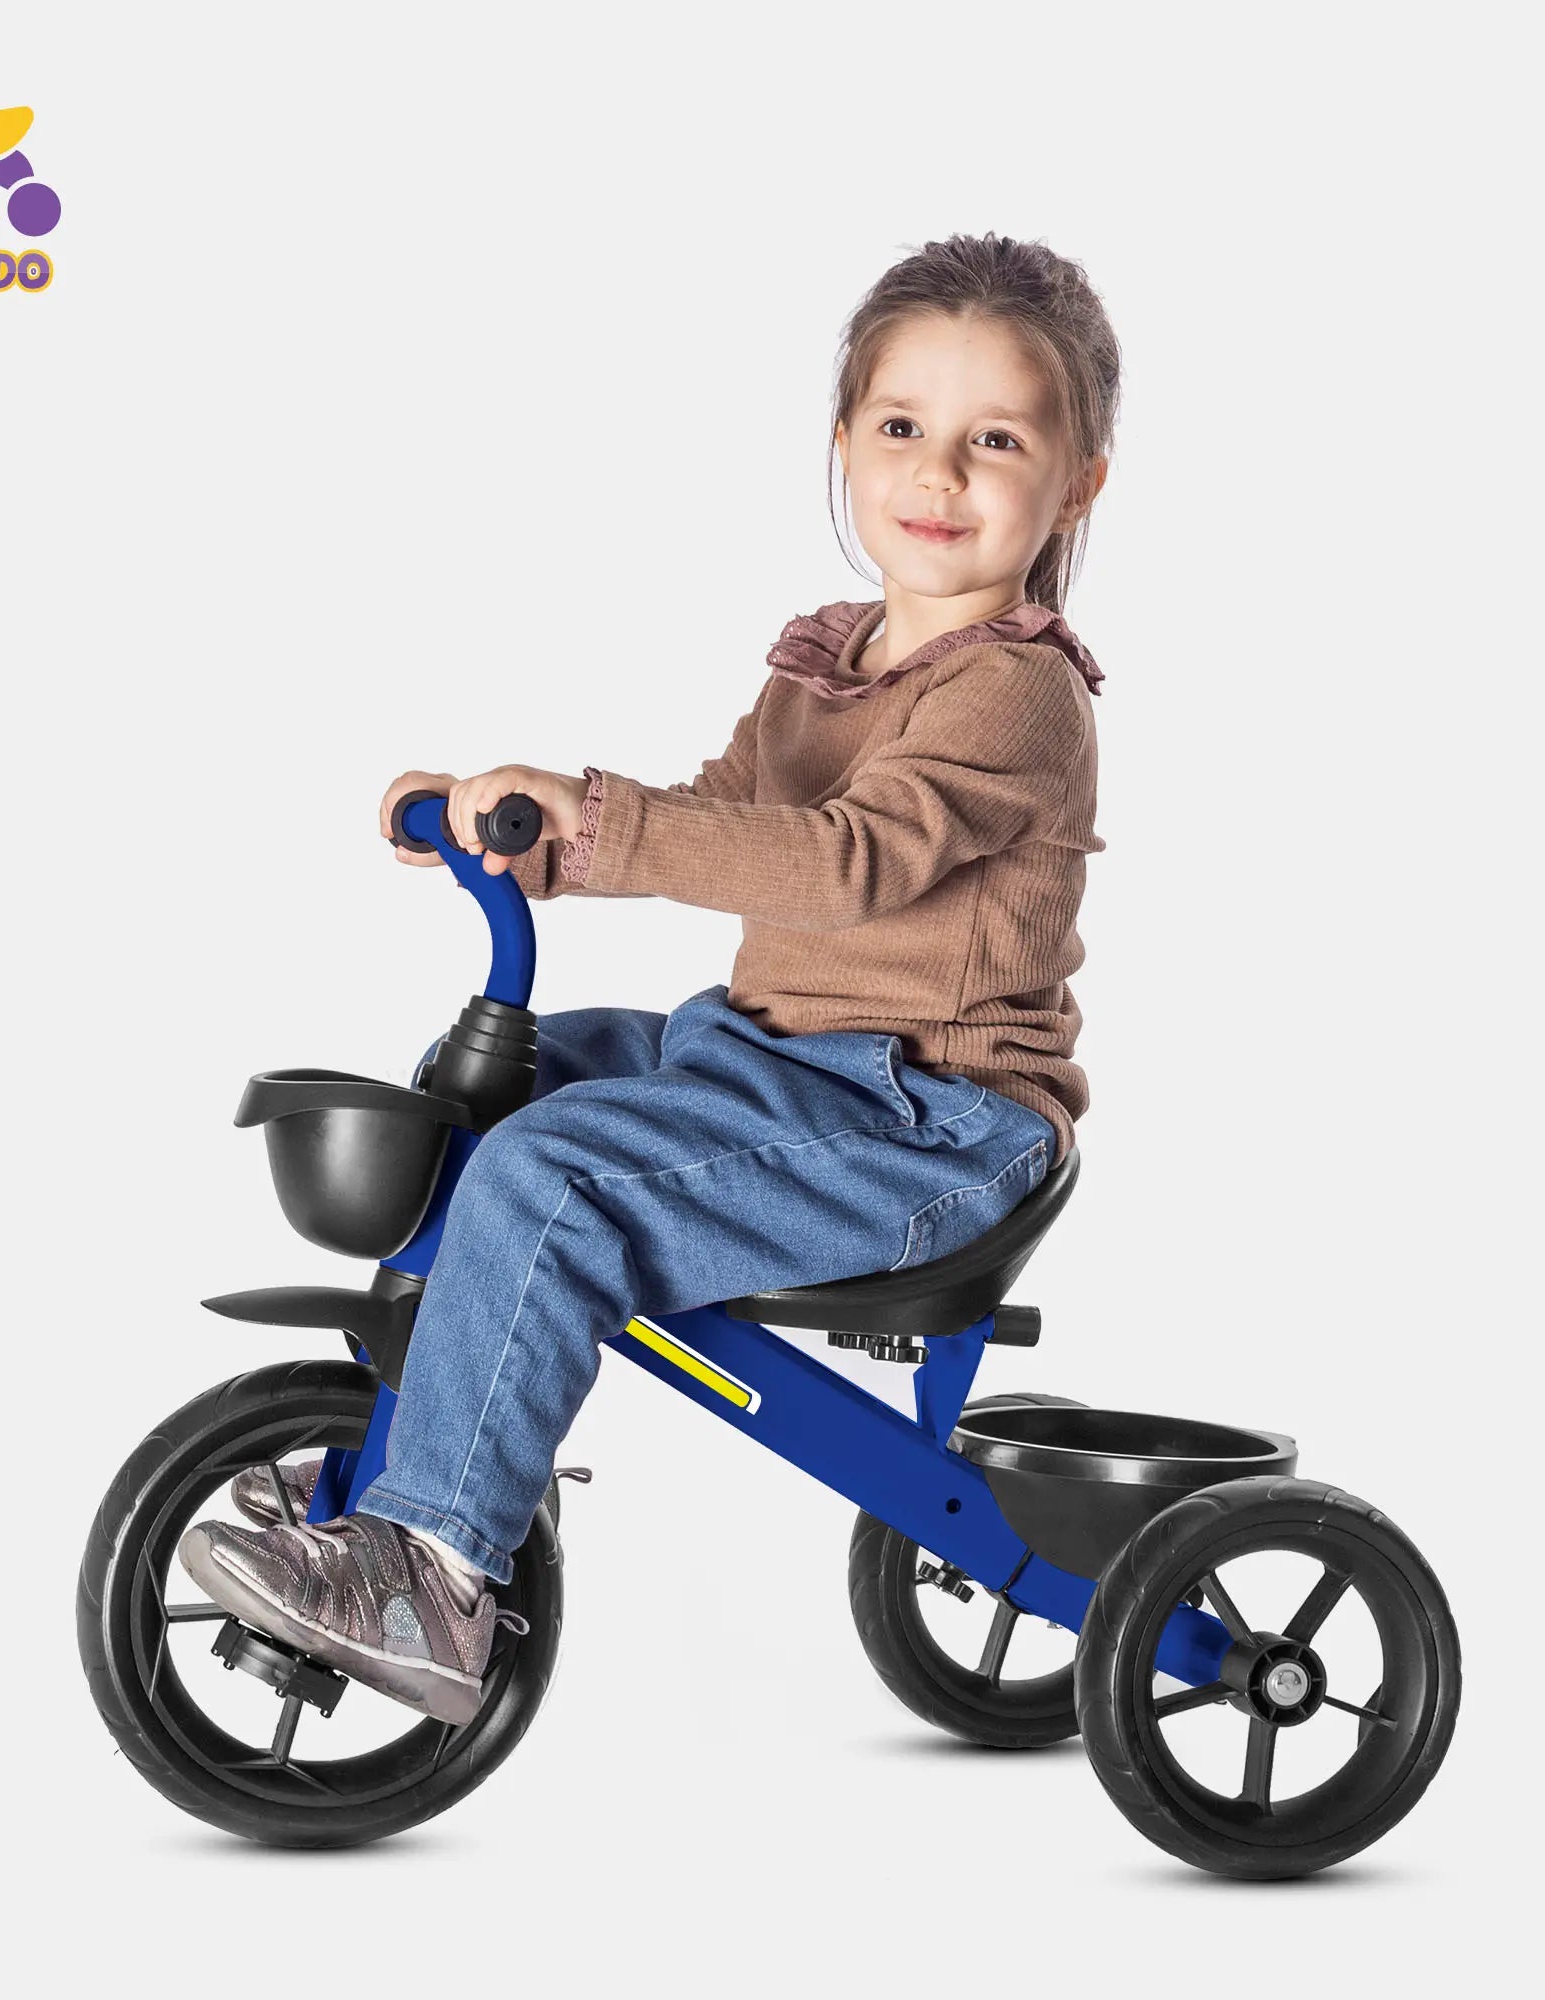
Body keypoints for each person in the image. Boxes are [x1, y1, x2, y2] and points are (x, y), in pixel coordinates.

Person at [181, 231, 1117, 1727]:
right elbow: (736, 818)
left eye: (993, 441)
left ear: (1077, 483)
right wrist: (529, 845)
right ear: (843, 445)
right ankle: (425, 1436)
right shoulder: (832, 660)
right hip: (781, 1060)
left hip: (933, 1120)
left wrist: (609, 825)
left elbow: (839, 864)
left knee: (553, 1174)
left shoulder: (1016, 694)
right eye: (901, 430)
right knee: (497, 1085)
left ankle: (433, 1565)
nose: (938, 475)